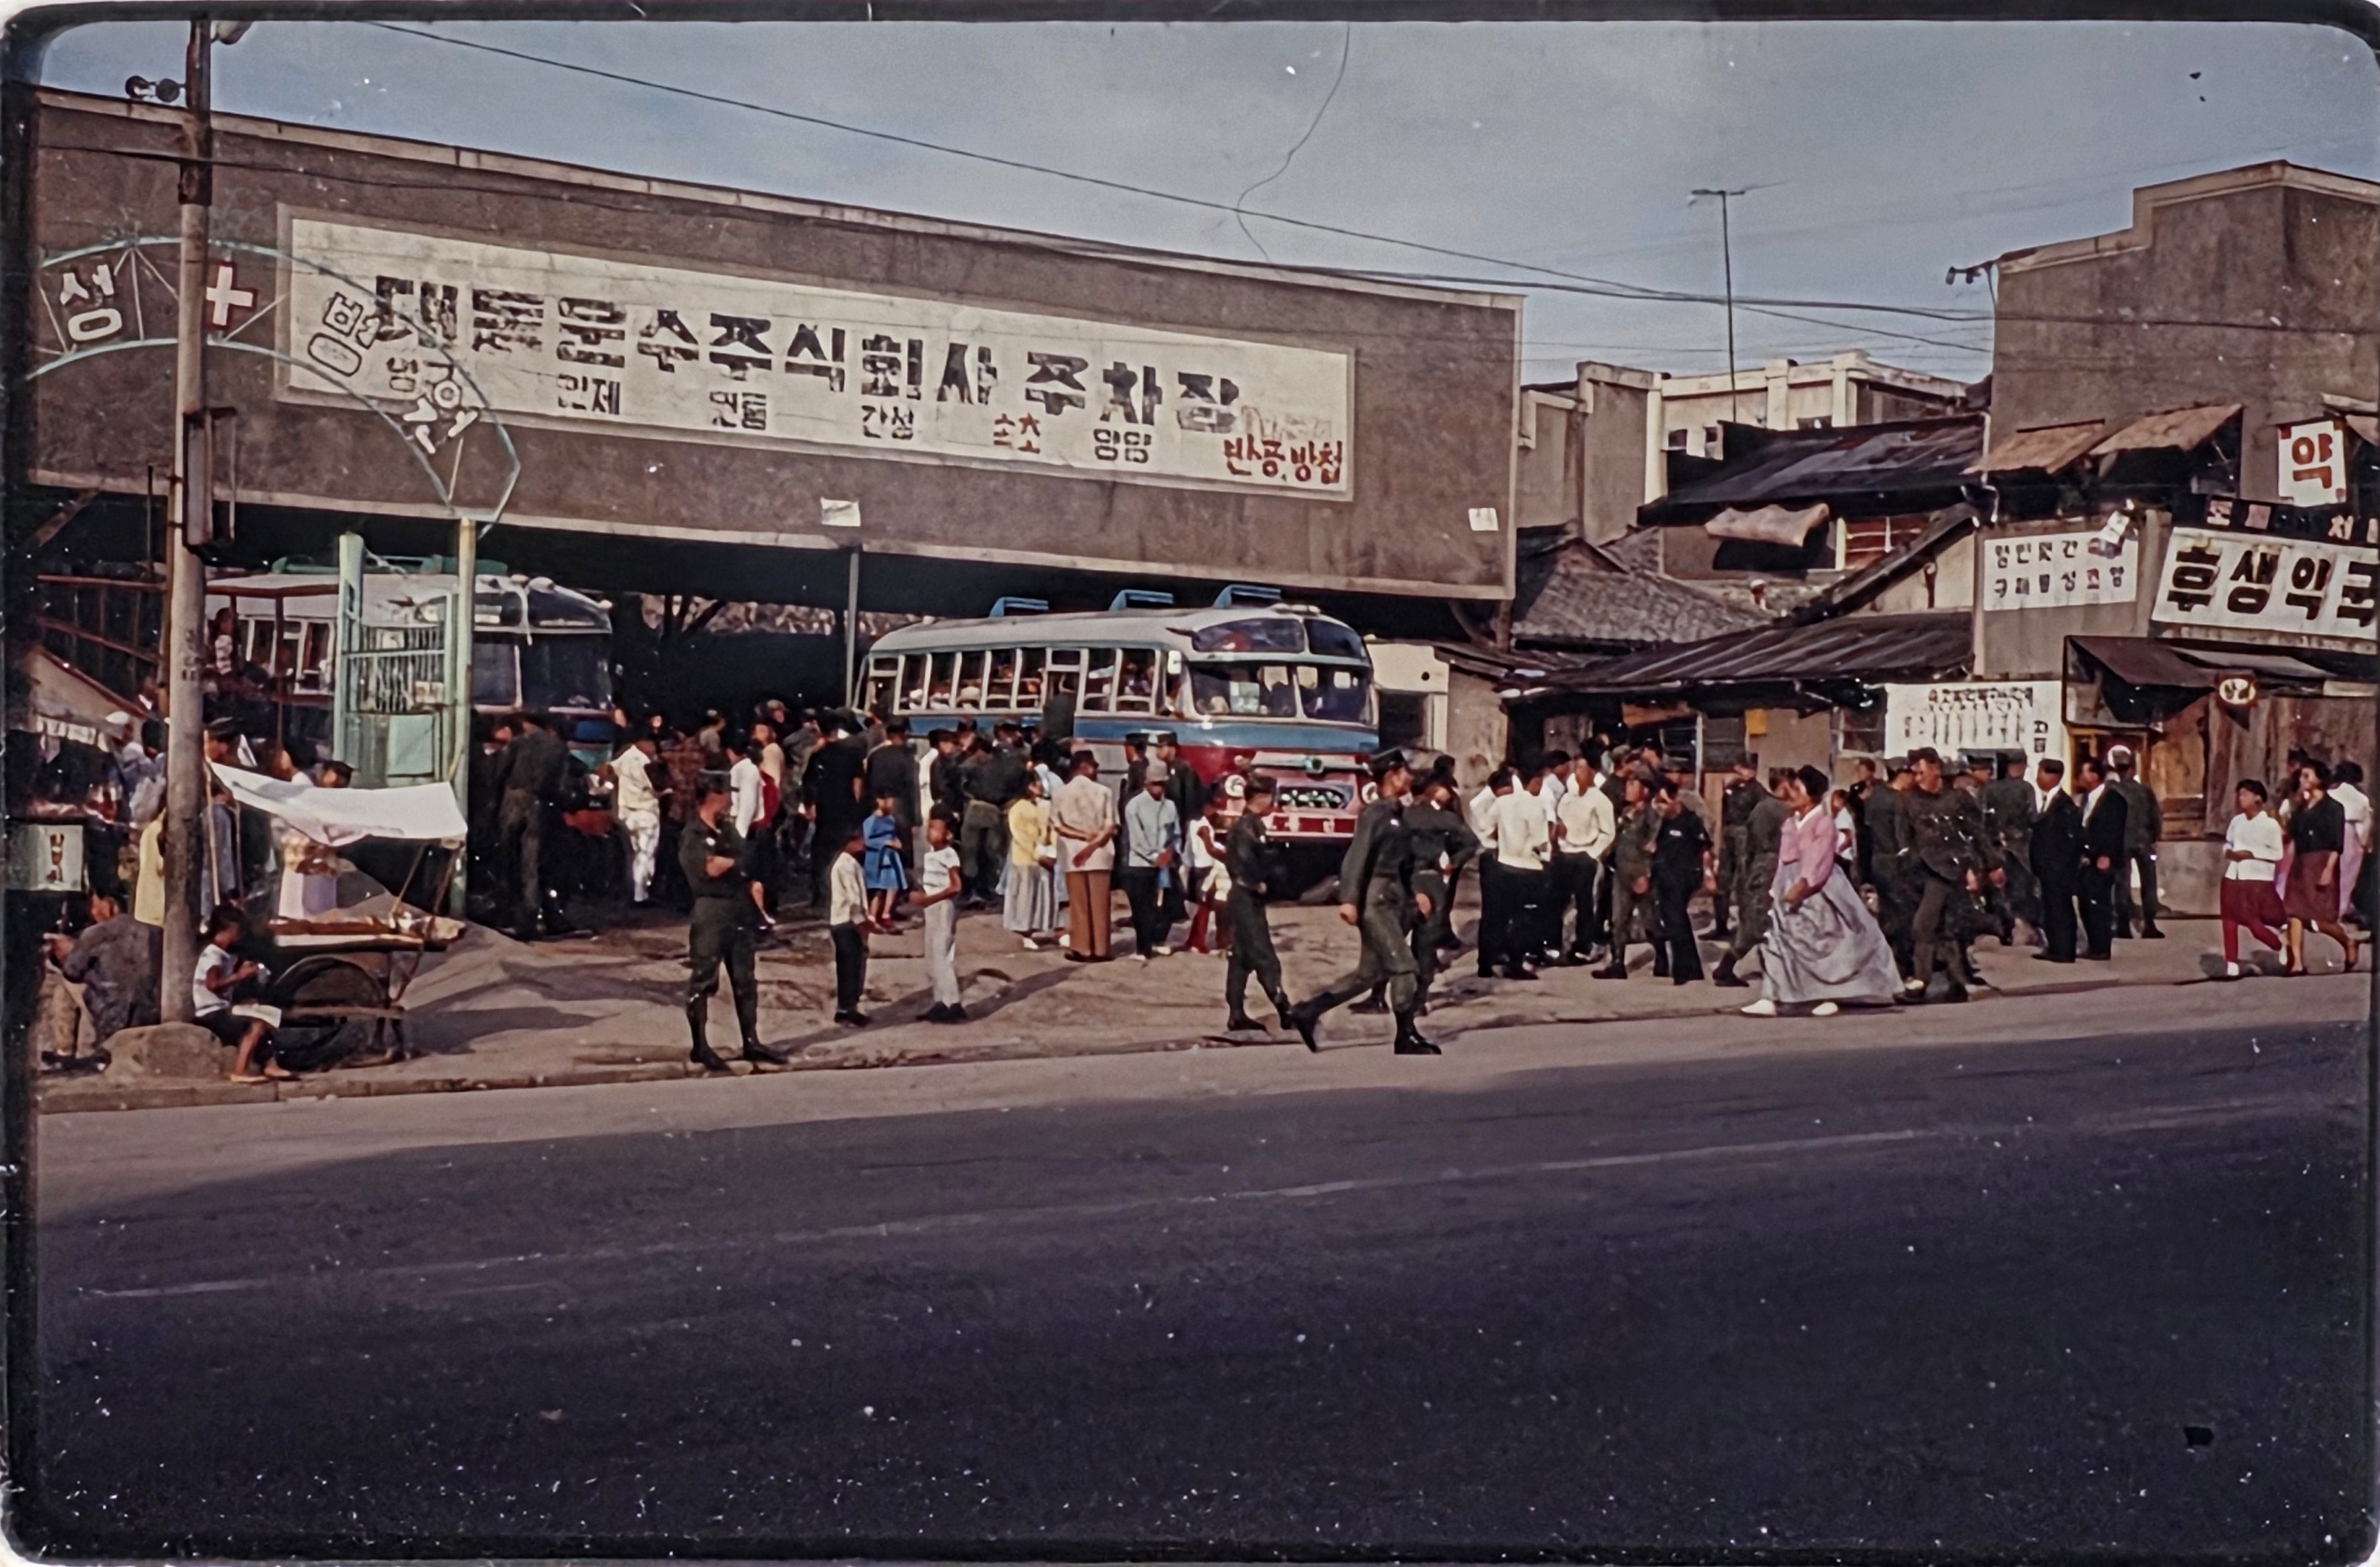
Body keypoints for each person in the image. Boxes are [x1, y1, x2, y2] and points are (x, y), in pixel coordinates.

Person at [1288, 752, 1437, 1055]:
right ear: (1393, 775)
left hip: (1394, 896)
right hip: (1377, 900)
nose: (1410, 777)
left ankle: (1308, 1011)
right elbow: (1357, 855)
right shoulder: (1375, 813)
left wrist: (1415, 893)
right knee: (1404, 966)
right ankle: (1406, 1035)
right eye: (1406, 772)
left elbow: (1404, 863)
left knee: (1368, 974)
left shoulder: (1397, 813)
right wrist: (1349, 900)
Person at [1739, 767, 1903, 1018]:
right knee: (1779, 941)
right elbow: (1784, 860)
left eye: (1797, 789)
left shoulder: (1824, 823)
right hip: (1788, 883)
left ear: (1812, 795)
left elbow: (1819, 859)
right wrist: (1777, 887)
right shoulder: (1791, 823)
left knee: (1823, 945)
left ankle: (1827, 995)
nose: (1791, 793)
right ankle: (1772, 996)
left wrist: (1804, 885)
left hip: (1819, 889)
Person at [680, 776, 787, 1072]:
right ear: (713, 795)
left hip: (739, 907)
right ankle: (700, 1046)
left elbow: (744, 863)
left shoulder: (727, 830)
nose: (730, 799)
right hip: (712, 910)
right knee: (704, 979)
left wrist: (748, 880)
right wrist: (734, 862)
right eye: (727, 793)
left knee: (745, 979)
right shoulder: (694, 834)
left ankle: (751, 1041)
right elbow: (709, 868)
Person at [1899, 748, 1993, 1003]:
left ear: (1936, 769)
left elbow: (1976, 833)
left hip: (1951, 870)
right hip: (1921, 872)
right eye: (1914, 773)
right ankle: (1956, 982)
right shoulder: (1909, 801)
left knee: (1928, 925)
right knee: (1941, 929)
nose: (1917, 777)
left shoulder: (1957, 799)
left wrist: (1989, 865)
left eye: (1921, 772)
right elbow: (1904, 837)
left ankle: (1922, 982)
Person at [1401, 768, 1481, 1011]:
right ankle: (1420, 999)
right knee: (1425, 944)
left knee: (1393, 939)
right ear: (1434, 790)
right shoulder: (1445, 819)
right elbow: (1470, 842)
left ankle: (1381, 993)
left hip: (1403, 881)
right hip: (1432, 881)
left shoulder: (1402, 816)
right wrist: (1453, 862)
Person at [1221, 775, 1295, 1033]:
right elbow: (1244, 861)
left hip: (1246, 897)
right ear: (1261, 797)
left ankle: (1236, 1014)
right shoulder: (1246, 827)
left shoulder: (1252, 825)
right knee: (1265, 956)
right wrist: (1257, 882)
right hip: (1245, 896)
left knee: (1241, 958)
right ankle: (1285, 1009)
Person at [488, 711, 571, 939]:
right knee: (532, 864)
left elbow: (498, 774)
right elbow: (563, 787)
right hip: (540, 805)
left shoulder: (519, 744)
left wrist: (493, 806)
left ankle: (514, 917)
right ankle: (533, 919)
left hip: (513, 802)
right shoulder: (559, 748)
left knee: (508, 861)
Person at [46, 888, 158, 1052]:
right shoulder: (153, 930)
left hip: (116, 1018)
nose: (93, 912)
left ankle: (69, 1050)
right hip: (151, 1010)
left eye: (94, 904)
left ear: (112, 904)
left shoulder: (95, 934)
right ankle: (76, 1050)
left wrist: (71, 950)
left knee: (65, 987)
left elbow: (71, 973)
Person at [1712, 770, 1791, 989]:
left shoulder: (1765, 807)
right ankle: (1726, 968)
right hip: (1767, 870)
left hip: (1763, 868)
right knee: (1758, 922)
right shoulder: (1775, 809)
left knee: (1762, 921)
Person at [2282, 760, 2360, 976]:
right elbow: (2291, 834)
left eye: (2307, 776)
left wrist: (2328, 870)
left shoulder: (2333, 808)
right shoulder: (2301, 808)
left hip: (2322, 861)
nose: (2302, 780)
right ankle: (2297, 963)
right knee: (2293, 912)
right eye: (2301, 776)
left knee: (2320, 917)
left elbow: (2337, 843)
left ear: (2319, 778)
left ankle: (2347, 941)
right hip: (2301, 862)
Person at [192, 903, 285, 1083]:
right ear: (227, 930)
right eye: (235, 932)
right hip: (210, 1013)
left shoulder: (224, 954)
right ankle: (240, 1070)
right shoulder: (213, 955)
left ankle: (270, 1064)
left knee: (263, 1014)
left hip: (221, 1008)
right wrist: (239, 976)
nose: (237, 936)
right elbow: (212, 985)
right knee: (256, 1024)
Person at [1484, 759, 1553, 980]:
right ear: (1533, 781)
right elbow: (1541, 840)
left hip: (1504, 865)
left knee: (1500, 916)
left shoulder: (1502, 802)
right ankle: (1515, 963)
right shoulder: (1534, 805)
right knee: (1525, 919)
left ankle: (1491, 960)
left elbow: (1486, 827)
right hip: (1527, 867)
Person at [1050, 751, 1119, 961]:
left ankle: (1082, 948)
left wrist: (1082, 838)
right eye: (1094, 766)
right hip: (1101, 852)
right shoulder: (1104, 792)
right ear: (1085, 767)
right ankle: (1101, 949)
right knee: (1101, 904)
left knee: (1079, 904)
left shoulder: (1060, 793)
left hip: (1073, 853)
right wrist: (1094, 843)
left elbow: (1057, 826)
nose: (1096, 771)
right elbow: (1111, 826)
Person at [2218, 780, 2287, 980]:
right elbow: (2228, 844)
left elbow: (2277, 853)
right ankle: (2231, 963)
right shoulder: (2237, 822)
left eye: (2245, 794)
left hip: (2257, 877)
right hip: (2233, 876)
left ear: (2258, 798)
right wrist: (2230, 853)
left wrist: (2251, 854)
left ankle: (2280, 943)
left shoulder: (2270, 825)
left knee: (2256, 921)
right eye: (2240, 795)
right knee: (2229, 919)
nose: (2241, 799)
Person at [1594, 773, 1661, 979]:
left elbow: (1654, 848)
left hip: (1639, 874)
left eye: (1633, 784)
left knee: (1650, 920)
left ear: (1646, 791)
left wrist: (1646, 874)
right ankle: (1617, 964)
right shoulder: (1625, 812)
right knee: (1618, 920)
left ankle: (1663, 958)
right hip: (1621, 872)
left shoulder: (1652, 816)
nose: (1627, 788)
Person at [1648, 779, 1714, 985]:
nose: (1661, 808)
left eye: (1664, 803)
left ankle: (1684, 969)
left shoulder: (1691, 821)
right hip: (1664, 874)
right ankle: (1689, 967)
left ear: (1674, 800)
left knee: (1676, 918)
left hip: (1684, 875)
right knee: (1673, 921)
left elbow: (1705, 849)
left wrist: (1709, 875)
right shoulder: (1663, 823)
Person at [1120, 760, 1186, 961]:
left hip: (1166, 863)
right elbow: (1136, 840)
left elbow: (1176, 833)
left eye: (1162, 784)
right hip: (1141, 864)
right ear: (1146, 783)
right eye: (1155, 784)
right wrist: (1154, 857)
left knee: (1164, 906)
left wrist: (1171, 853)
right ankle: (1143, 948)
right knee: (1142, 908)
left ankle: (1158, 940)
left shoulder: (1170, 806)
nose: (1159, 788)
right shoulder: (1134, 806)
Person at [1551, 759, 1615, 965]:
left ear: (1591, 773)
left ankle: (1584, 946)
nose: (1578, 773)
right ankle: (1553, 946)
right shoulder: (1567, 797)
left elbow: (1608, 832)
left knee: (1585, 903)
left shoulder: (1600, 800)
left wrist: (1593, 854)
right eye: (1577, 769)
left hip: (1585, 855)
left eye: (1583, 769)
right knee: (1557, 901)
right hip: (1565, 853)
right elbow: (1560, 821)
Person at [802, 714, 868, 910]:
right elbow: (858, 784)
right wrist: (858, 809)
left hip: (825, 809)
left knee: (821, 853)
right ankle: (849, 895)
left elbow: (808, 784)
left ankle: (820, 896)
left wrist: (809, 807)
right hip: (847, 808)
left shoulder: (818, 756)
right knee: (846, 852)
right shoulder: (852, 753)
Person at [1979, 754, 2041, 945]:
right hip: (2020, 847)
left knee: (1999, 890)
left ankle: (2003, 929)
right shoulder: (2026, 788)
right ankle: (2021, 927)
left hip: (1995, 847)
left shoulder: (1990, 789)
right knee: (2022, 890)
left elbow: (1982, 819)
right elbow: (2032, 817)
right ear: (2021, 766)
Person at [2106, 744, 2164, 940]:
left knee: (2121, 882)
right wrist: (2154, 838)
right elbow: (2155, 816)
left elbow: (2108, 819)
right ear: (2132, 768)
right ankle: (2149, 924)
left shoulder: (2112, 791)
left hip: (2121, 842)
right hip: (2144, 840)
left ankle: (2123, 925)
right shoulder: (2144, 791)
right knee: (2149, 882)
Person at [2074, 755, 2129, 963]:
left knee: (2099, 904)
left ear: (2095, 775)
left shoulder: (2114, 800)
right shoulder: (2085, 799)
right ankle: (2093, 944)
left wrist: (2107, 854)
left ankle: (2102, 947)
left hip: (2102, 860)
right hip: (2085, 860)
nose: (2080, 777)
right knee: (2085, 903)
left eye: (2084, 773)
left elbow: (2115, 831)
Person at [2029, 759, 2084, 965]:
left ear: (2054, 776)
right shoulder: (2049, 801)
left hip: (2059, 868)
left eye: (2041, 773)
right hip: (2048, 867)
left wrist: (2061, 865)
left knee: (2061, 908)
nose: (2038, 778)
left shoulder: (2064, 805)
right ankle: (2055, 947)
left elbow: (2070, 839)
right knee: (2051, 907)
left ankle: (2065, 949)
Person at [915, 812, 968, 1021]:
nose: (930, 833)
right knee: (932, 956)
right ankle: (940, 1001)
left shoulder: (949, 854)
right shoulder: (930, 855)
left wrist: (928, 899)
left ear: (948, 835)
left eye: (936, 829)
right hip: (931, 908)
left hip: (943, 907)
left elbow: (956, 887)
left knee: (943, 955)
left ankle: (953, 1003)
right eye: (929, 828)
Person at [602, 730, 666, 907]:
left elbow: (607, 771)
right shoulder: (648, 762)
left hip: (626, 813)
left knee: (633, 855)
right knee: (645, 855)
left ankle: (632, 891)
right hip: (646, 813)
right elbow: (658, 786)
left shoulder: (626, 756)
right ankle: (640, 895)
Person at [1003, 772, 1058, 951]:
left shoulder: (1044, 806)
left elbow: (1052, 829)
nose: (1039, 786)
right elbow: (1019, 835)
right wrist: (1037, 853)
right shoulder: (1018, 808)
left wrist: (1052, 850)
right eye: (1035, 784)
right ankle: (1024, 933)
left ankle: (1035, 929)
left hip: (1043, 857)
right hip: (1025, 859)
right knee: (1025, 898)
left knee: (1039, 897)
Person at [1714, 758, 1763, 943]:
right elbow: (1724, 814)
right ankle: (1720, 926)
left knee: (1744, 883)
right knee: (1722, 882)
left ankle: (1745, 929)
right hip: (1729, 835)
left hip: (1745, 835)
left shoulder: (1757, 791)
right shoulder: (1731, 788)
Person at [826, 827, 872, 1027]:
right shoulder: (845, 865)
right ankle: (847, 1008)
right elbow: (853, 898)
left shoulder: (850, 863)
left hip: (845, 921)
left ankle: (847, 1007)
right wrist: (862, 922)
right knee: (850, 967)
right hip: (847, 921)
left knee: (850, 965)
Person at [1184, 786, 1234, 956]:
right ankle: (1199, 941)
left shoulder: (1195, 823)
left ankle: (1194, 940)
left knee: (1204, 907)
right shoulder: (1203, 826)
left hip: (1199, 865)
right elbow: (1209, 849)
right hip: (1205, 867)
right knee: (1205, 907)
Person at [2331, 759, 2371, 927]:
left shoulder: (2331, 794)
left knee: (2331, 873)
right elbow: (2364, 824)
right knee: (2348, 875)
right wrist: (2364, 843)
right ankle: (2342, 908)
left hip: (2332, 832)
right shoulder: (2360, 798)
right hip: (2350, 833)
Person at [862, 792, 909, 928]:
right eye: (888, 800)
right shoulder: (870, 822)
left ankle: (886, 914)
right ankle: (872, 916)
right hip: (876, 859)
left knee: (892, 885)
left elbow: (893, 836)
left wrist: (896, 843)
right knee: (878, 889)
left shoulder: (891, 820)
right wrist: (886, 843)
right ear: (880, 801)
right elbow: (867, 841)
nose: (891, 804)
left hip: (890, 858)